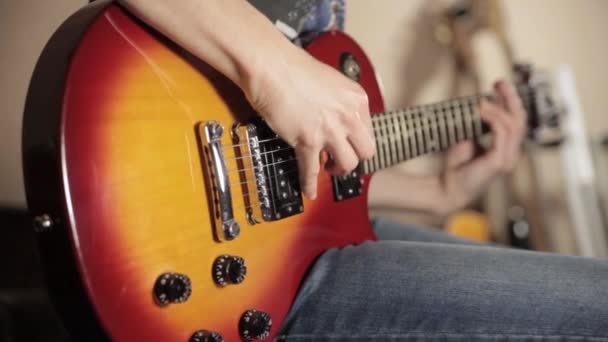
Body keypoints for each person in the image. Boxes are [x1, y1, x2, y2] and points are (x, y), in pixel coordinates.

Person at [118, 0, 608, 340]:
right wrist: (275, 72)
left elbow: (292, 175)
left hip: (286, 252)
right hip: (225, 266)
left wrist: (439, 192)